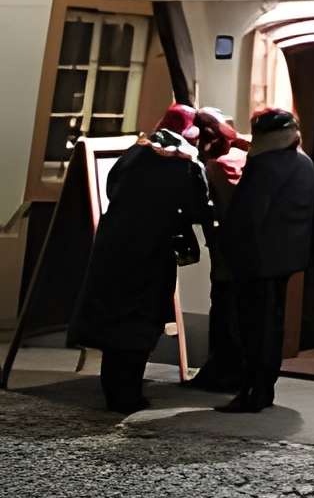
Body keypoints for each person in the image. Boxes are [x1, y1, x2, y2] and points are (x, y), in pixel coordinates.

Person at [68, 110, 211, 412]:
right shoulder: (184, 165)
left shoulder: (133, 153)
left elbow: (111, 188)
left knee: (114, 320)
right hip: (152, 249)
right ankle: (129, 395)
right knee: (140, 322)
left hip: (114, 246)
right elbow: (197, 208)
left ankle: (113, 390)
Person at [219, 105, 314, 413]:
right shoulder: (304, 163)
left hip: (256, 260)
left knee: (252, 328)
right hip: (285, 259)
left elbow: (248, 215)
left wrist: (229, 245)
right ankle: (265, 389)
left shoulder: (265, 166)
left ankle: (252, 391)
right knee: (272, 326)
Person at [188, 107, 247, 393]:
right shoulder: (244, 157)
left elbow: (220, 208)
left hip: (228, 249)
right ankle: (232, 370)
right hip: (249, 251)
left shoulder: (217, 166)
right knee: (237, 309)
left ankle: (222, 371)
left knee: (225, 308)